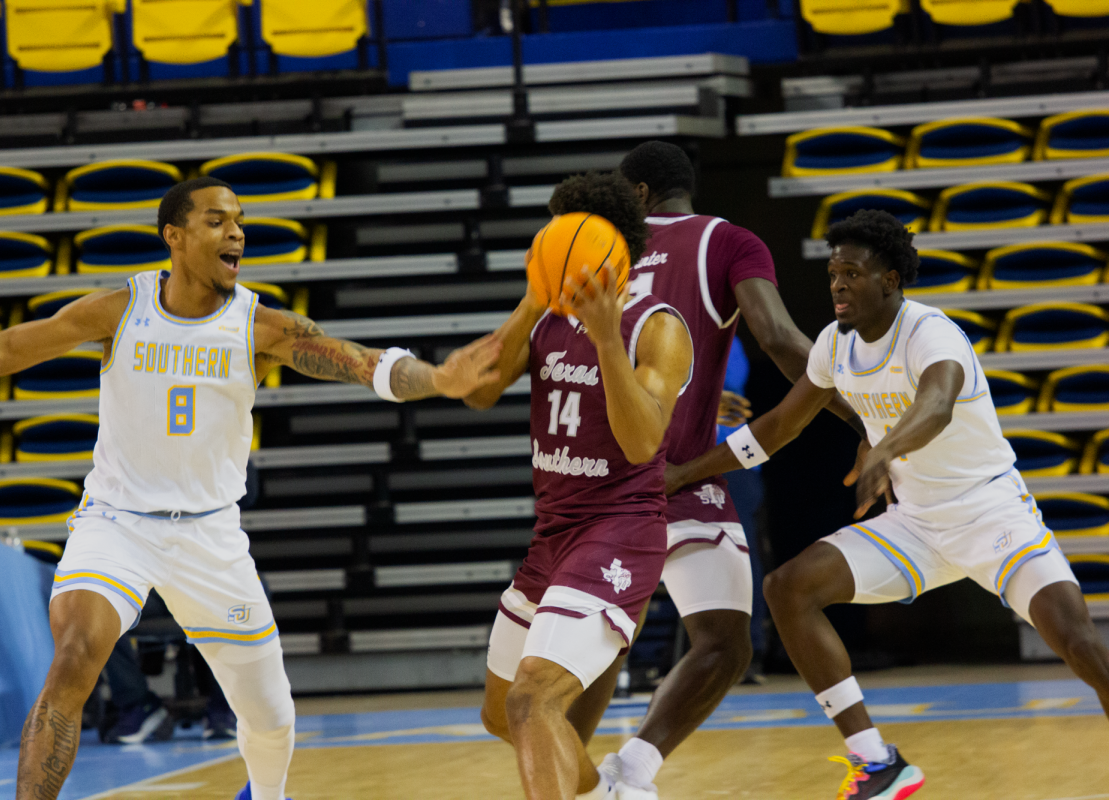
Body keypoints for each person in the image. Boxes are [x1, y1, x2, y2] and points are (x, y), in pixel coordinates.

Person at [0, 176, 501, 800]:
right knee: (74, 656)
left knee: (271, 719)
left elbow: (358, 360)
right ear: (174, 235)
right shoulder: (119, 310)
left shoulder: (261, 325)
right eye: (217, 220)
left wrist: (435, 377)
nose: (237, 231)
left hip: (210, 535)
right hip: (118, 522)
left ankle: (266, 796)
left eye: (239, 220)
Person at [681, 209, 1109, 799]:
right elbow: (777, 427)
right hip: (915, 526)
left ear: (889, 280)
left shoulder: (931, 332)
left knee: (1080, 644)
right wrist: (683, 473)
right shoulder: (834, 344)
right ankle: (878, 761)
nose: (838, 284)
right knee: (788, 588)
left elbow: (934, 406)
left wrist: (885, 452)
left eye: (852, 273)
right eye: (833, 272)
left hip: (990, 513)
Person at [563, 140, 867, 798]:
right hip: (670, 468)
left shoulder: (600, 257)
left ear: (639, 194)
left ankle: (619, 776)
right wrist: (864, 418)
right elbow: (784, 341)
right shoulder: (728, 241)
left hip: (604, 472)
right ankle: (586, 778)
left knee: (649, 643)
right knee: (717, 644)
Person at [468, 171, 694, 800]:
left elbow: (642, 441)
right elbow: (481, 390)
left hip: (621, 530)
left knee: (533, 699)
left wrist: (604, 338)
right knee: (500, 712)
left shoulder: (656, 326)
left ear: (616, 250)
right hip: (555, 533)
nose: (554, 240)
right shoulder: (545, 316)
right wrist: (535, 296)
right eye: (552, 230)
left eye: (569, 233)